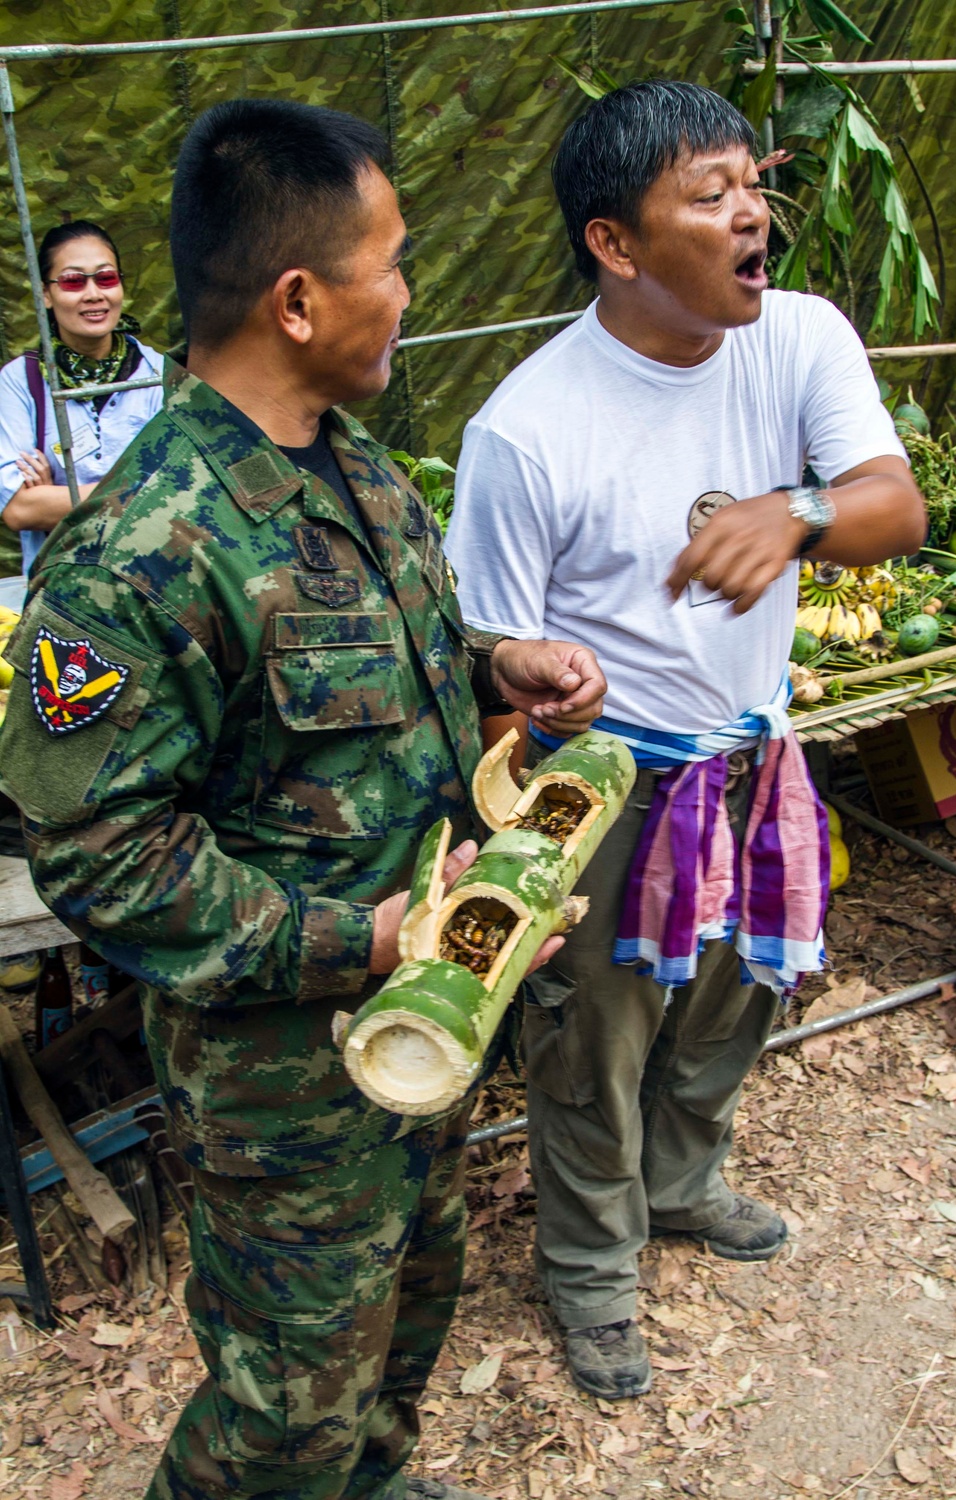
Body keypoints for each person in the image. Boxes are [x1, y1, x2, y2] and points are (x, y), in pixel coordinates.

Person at [0, 100, 606, 1500]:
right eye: (390, 262)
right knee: (280, 1418)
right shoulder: (143, 546)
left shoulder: (360, 472)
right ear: (296, 297)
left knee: (401, 1335)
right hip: (288, 1086)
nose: (407, 292)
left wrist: (494, 665)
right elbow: (98, 849)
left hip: (428, 1029)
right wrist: (367, 942)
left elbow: (361, 663)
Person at [445, 80, 926, 1401]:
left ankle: (682, 1181)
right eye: (706, 196)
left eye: (749, 184)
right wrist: (530, 777)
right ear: (616, 242)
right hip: (607, 786)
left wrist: (800, 511)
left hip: (756, 758)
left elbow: (896, 505)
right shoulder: (528, 430)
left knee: (740, 991)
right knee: (592, 1040)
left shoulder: (799, 339)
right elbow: (486, 660)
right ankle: (592, 1268)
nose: (749, 215)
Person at [0, 219, 163, 573]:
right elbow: (18, 510)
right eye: (74, 281)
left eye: (106, 278)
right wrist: (141, 487)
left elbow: (182, 496)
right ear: (46, 293)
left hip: (151, 586)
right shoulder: (20, 381)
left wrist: (54, 498)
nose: (93, 294)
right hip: (60, 588)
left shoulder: (159, 374)